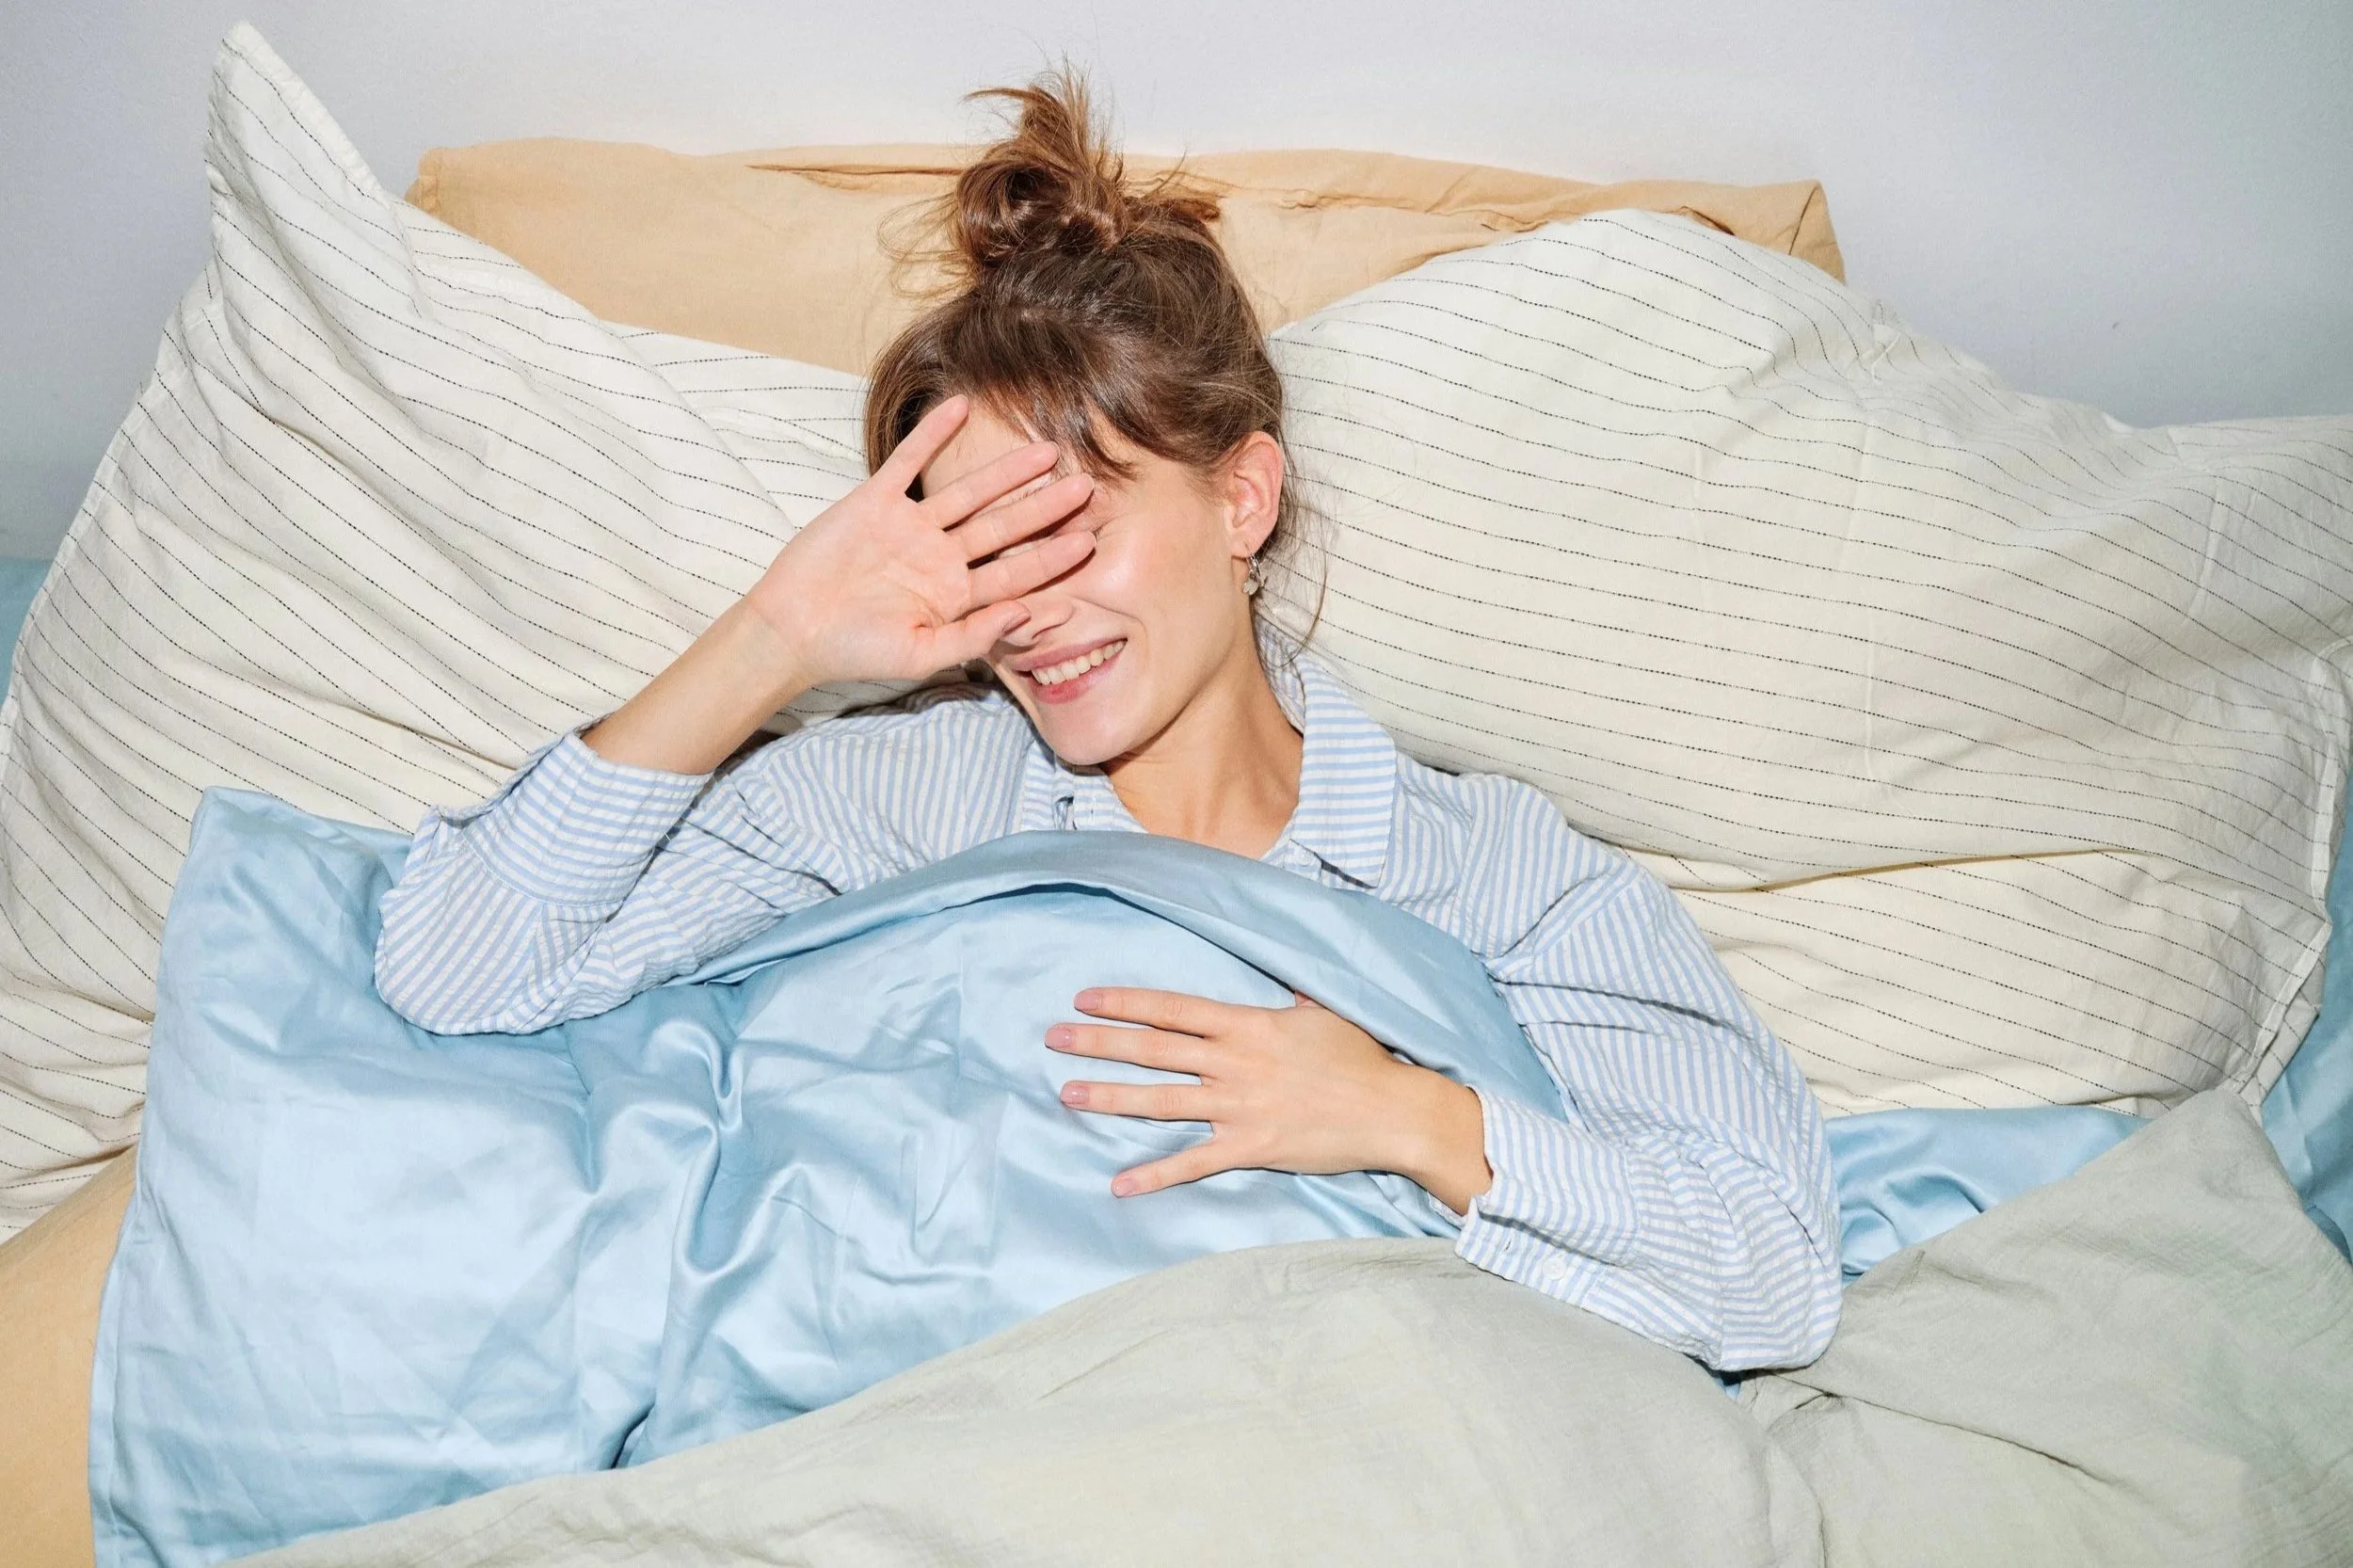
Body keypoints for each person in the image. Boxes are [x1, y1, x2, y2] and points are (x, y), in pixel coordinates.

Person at [374, 72, 1841, 1371]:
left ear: (1240, 498)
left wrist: (1411, 1119)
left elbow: (1774, 1278)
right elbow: (452, 972)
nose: (1028, 611)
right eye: (979, 554)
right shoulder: (908, 794)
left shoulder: (1490, 869)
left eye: (1068, 530)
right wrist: (773, 639)